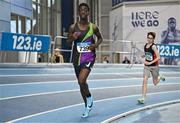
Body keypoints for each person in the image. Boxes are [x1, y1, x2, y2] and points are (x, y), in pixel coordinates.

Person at [67, 3, 103, 118]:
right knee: (80, 84)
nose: (83, 12)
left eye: (85, 10)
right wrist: (73, 38)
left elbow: (100, 38)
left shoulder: (93, 27)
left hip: (89, 56)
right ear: (79, 12)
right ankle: (87, 106)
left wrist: (95, 45)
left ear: (88, 12)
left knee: (82, 80)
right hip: (77, 58)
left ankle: (89, 98)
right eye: (81, 10)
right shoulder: (73, 27)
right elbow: (68, 41)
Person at [138, 32, 165, 104]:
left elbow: (158, 57)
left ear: (153, 39)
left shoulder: (153, 46)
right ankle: (143, 98)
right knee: (145, 80)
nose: (149, 39)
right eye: (148, 38)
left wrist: (150, 62)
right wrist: (143, 56)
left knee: (155, 83)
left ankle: (160, 77)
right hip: (147, 66)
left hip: (154, 66)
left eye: (151, 38)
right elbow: (148, 54)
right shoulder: (145, 45)